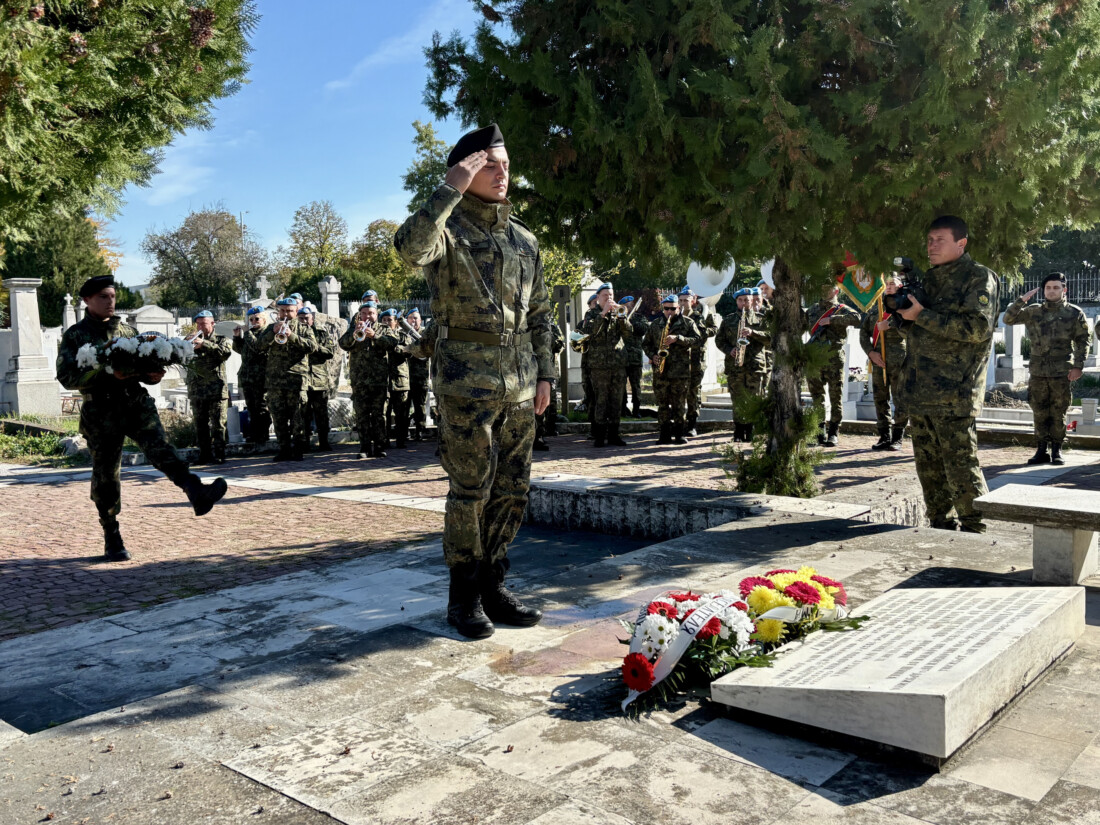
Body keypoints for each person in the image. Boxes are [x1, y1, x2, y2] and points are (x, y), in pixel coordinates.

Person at [394, 122, 556, 640]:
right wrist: (449, 189)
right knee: (470, 490)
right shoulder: (447, 229)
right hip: (466, 384)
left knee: (513, 488)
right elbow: (409, 249)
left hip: (520, 385)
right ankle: (463, 597)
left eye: (506, 165)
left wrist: (546, 374)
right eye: (490, 165)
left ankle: (493, 585)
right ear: (465, 170)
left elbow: (541, 313)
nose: (502, 174)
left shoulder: (524, 239)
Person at [55, 275, 228, 561]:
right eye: (103, 297)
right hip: (101, 411)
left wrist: (152, 375)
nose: (110, 302)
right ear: (87, 300)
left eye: (112, 296)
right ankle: (111, 534)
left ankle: (195, 491)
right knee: (106, 475)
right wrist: (107, 374)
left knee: (162, 449)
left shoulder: (128, 331)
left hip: (135, 404)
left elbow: (144, 368)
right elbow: (67, 376)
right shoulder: (76, 335)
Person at [888, 215, 1000, 532]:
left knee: (961, 465)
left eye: (940, 240)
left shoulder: (978, 277)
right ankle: (940, 526)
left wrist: (922, 315)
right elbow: (915, 330)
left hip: (955, 391)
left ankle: (976, 529)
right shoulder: (929, 279)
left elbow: (977, 329)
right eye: (929, 240)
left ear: (961, 243)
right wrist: (902, 315)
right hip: (920, 389)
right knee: (929, 468)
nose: (931, 246)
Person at [1003, 272, 1089, 466]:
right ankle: (1041, 450)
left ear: (1064, 290)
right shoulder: (1033, 311)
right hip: (1038, 371)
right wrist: (1021, 301)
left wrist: (1078, 366)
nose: (1051, 291)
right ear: (1044, 290)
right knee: (1039, 410)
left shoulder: (1074, 313)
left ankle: (1057, 449)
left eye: (1056, 287)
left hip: (1061, 371)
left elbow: (1083, 341)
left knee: (1059, 410)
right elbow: (1008, 319)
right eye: (1048, 288)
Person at [257, 296, 318, 461]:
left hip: (296, 380)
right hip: (275, 381)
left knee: (298, 417)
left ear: (296, 311)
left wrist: (291, 335)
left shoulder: (304, 329)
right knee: (278, 417)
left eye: (289, 311)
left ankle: (298, 449)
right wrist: (272, 333)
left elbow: (312, 347)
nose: (285, 314)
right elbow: (259, 346)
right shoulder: (271, 328)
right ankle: (283, 449)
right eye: (282, 311)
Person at [804, 282, 861, 446]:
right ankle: (818, 432)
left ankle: (834, 432)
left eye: (828, 288)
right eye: (822, 287)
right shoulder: (812, 310)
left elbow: (857, 318)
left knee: (836, 396)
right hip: (815, 358)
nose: (824, 291)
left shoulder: (841, 309)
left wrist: (832, 320)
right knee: (817, 397)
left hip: (834, 358)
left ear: (836, 291)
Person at [339, 300, 396, 458]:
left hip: (378, 380)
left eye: (371, 313)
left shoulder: (384, 329)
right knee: (362, 415)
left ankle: (379, 446)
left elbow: (392, 344)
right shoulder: (354, 328)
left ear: (376, 314)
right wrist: (354, 333)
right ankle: (364, 447)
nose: (367, 316)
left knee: (379, 415)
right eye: (364, 313)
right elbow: (343, 344)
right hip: (359, 380)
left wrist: (375, 336)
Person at [644, 294, 702, 444]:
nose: (669, 311)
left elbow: (697, 340)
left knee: (679, 404)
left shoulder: (688, 323)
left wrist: (678, 338)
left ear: (678, 308)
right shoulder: (655, 324)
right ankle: (664, 434)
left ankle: (679, 434)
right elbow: (646, 344)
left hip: (680, 372)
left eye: (672, 308)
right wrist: (653, 355)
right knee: (662, 404)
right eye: (666, 308)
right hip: (661, 372)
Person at [579, 282, 631, 447]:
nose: (609, 298)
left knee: (616, 400)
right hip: (599, 365)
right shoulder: (591, 314)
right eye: (605, 295)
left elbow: (629, 333)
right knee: (601, 400)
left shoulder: (619, 313)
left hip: (618, 364)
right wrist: (603, 314)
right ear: (598, 297)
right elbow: (588, 333)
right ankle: (600, 436)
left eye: (611, 295)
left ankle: (614, 434)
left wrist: (622, 317)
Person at [716, 288, 769, 442]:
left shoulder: (761, 319)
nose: (744, 303)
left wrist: (753, 333)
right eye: (741, 300)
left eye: (747, 300)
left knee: (754, 398)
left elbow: (770, 338)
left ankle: (751, 430)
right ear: (736, 302)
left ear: (752, 301)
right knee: (738, 399)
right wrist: (729, 350)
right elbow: (719, 340)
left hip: (755, 365)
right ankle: (738, 430)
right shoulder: (729, 320)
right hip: (735, 366)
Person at [860, 288, 909, 451]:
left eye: (892, 283)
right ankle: (884, 435)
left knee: (900, 399)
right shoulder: (876, 308)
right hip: (878, 360)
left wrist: (890, 324)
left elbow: (911, 329)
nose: (889, 286)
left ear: (900, 286)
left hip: (898, 361)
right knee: (880, 399)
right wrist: (870, 352)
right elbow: (863, 333)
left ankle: (898, 436)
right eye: (886, 283)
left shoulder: (905, 306)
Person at [183, 310, 233, 465]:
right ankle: (204, 455)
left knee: (218, 425)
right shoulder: (190, 339)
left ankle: (219, 454)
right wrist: (187, 345)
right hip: (197, 389)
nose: (200, 327)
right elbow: (181, 356)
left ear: (212, 323)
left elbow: (225, 353)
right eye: (198, 324)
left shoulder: (221, 339)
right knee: (200, 424)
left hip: (216, 389)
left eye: (203, 324)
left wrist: (203, 344)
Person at [679, 287, 720, 437]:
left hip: (696, 358)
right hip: (679, 360)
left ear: (693, 300)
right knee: (679, 391)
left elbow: (714, 329)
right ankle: (678, 423)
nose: (683, 303)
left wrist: (701, 329)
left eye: (686, 300)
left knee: (693, 391)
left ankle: (692, 424)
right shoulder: (676, 315)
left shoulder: (703, 314)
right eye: (681, 300)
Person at [298, 306, 335, 451]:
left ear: (312, 319)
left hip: (319, 379)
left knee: (321, 414)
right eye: (301, 318)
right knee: (303, 413)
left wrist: (313, 347)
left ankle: (324, 442)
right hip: (302, 379)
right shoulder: (294, 332)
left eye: (306, 318)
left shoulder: (321, 332)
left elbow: (330, 352)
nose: (304, 321)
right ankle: (305, 443)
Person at [233, 306, 271, 446]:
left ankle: (263, 434)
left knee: (261, 407)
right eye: (251, 320)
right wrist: (237, 338)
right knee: (251, 407)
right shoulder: (250, 333)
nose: (253, 322)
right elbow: (241, 350)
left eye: (257, 319)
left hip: (260, 377)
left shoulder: (266, 332)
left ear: (264, 319)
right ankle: (255, 433)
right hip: (247, 376)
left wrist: (247, 333)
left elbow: (257, 348)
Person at [381, 308, 412, 449]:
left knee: (401, 413)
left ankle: (401, 440)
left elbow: (409, 351)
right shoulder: (377, 336)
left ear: (396, 322)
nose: (386, 322)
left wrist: (394, 347)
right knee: (384, 413)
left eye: (390, 320)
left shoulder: (403, 336)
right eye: (384, 320)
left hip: (400, 380)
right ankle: (385, 440)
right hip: (383, 380)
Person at [534, 322, 564, 451]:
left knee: (545, 404)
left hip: (546, 369)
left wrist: (549, 339)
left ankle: (540, 435)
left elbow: (560, 345)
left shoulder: (553, 327)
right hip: (530, 365)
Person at [404, 308, 431, 441]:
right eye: (411, 318)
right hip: (405, 377)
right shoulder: (403, 333)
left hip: (420, 376)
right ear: (407, 320)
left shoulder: (424, 334)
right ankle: (404, 432)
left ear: (420, 320)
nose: (413, 321)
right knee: (404, 406)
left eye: (416, 318)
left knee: (420, 406)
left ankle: (420, 431)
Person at [619, 295, 648, 418]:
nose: (629, 307)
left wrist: (629, 320)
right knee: (621, 385)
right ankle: (623, 409)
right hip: (621, 357)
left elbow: (643, 329)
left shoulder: (640, 318)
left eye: (630, 305)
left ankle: (636, 409)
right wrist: (622, 318)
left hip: (635, 358)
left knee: (636, 385)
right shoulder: (618, 317)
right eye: (626, 306)